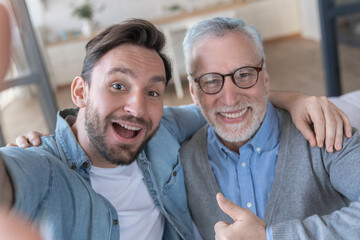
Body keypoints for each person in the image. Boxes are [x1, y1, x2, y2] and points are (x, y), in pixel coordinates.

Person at [2, 18, 351, 240]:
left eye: (152, 91)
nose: (137, 108)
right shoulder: (42, 169)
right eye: (118, 86)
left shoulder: (162, 129)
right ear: (80, 92)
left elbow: (229, 107)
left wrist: (294, 99)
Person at [179, 17, 360, 240]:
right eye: (211, 81)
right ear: (193, 92)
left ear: (265, 79)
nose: (230, 98)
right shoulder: (182, 164)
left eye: (244, 74)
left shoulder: (322, 131)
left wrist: (272, 236)